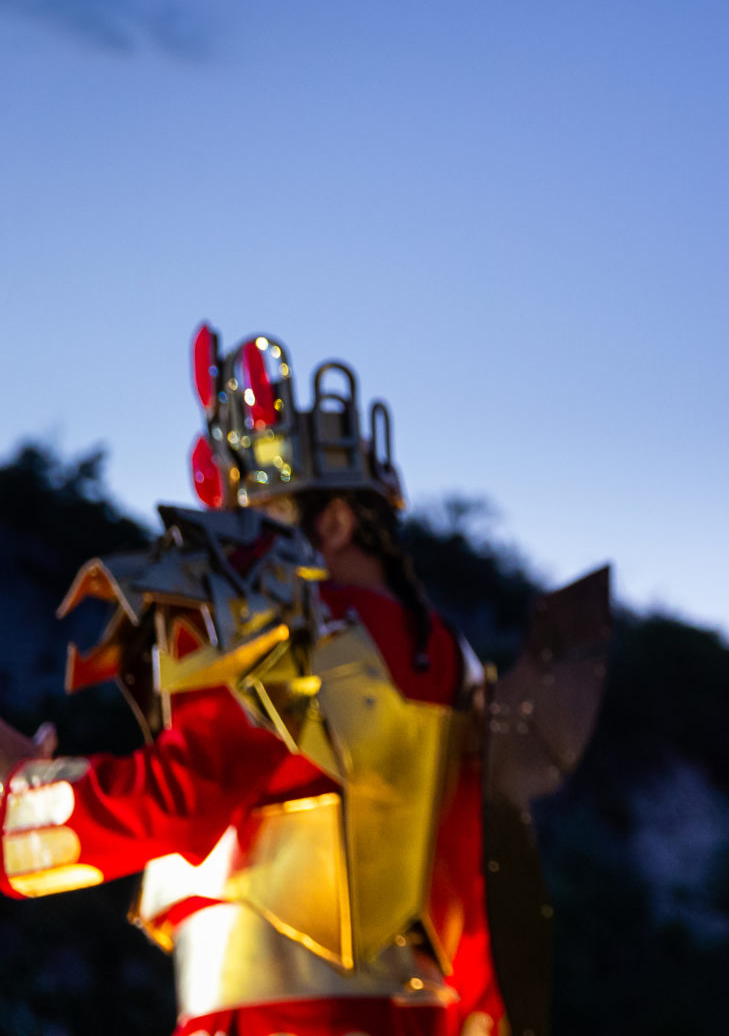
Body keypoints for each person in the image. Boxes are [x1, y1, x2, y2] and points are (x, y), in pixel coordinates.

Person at [0, 326, 505, 1036]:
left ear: (331, 523)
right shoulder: (456, 663)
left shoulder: (288, 623)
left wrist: (20, 795)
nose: (241, 548)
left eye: (259, 516)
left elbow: (182, 793)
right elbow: (480, 897)